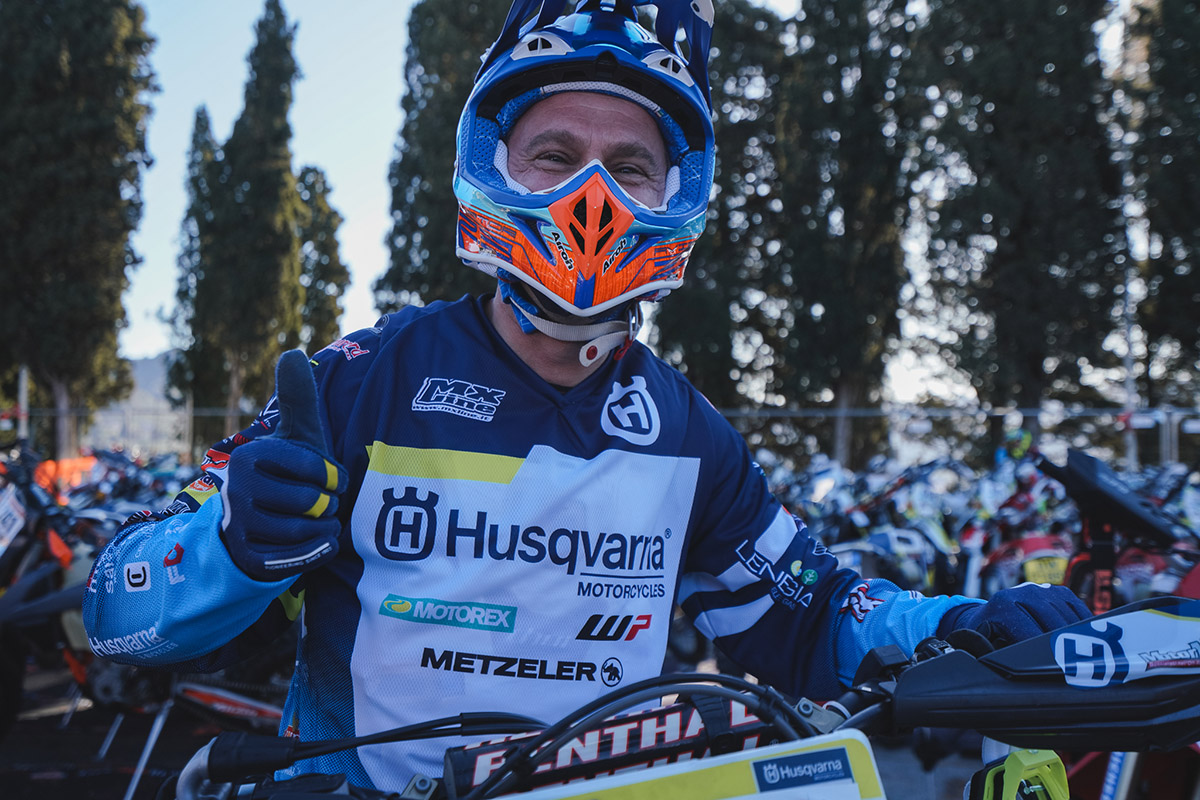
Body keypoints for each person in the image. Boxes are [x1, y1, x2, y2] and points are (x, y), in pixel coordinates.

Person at [82, 0, 1089, 792]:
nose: (591, 199)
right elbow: (117, 614)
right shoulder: (361, 377)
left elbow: (817, 616)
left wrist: (969, 622)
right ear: (495, 168)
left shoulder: (689, 435)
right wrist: (232, 543)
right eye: (557, 157)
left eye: (630, 167)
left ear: (675, 195)